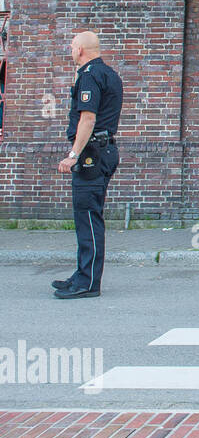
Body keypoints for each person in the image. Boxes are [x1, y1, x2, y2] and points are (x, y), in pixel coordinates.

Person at [53, 31, 123, 299]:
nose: (70, 50)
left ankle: (88, 282)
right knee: (86, 216)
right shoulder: (109, 73)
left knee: (88, 217)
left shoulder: (90, 75)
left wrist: (73, 154)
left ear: (81, 49)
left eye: (71, 46)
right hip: (101, 151)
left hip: (93, 153)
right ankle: (82, 274)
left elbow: (88, 119)